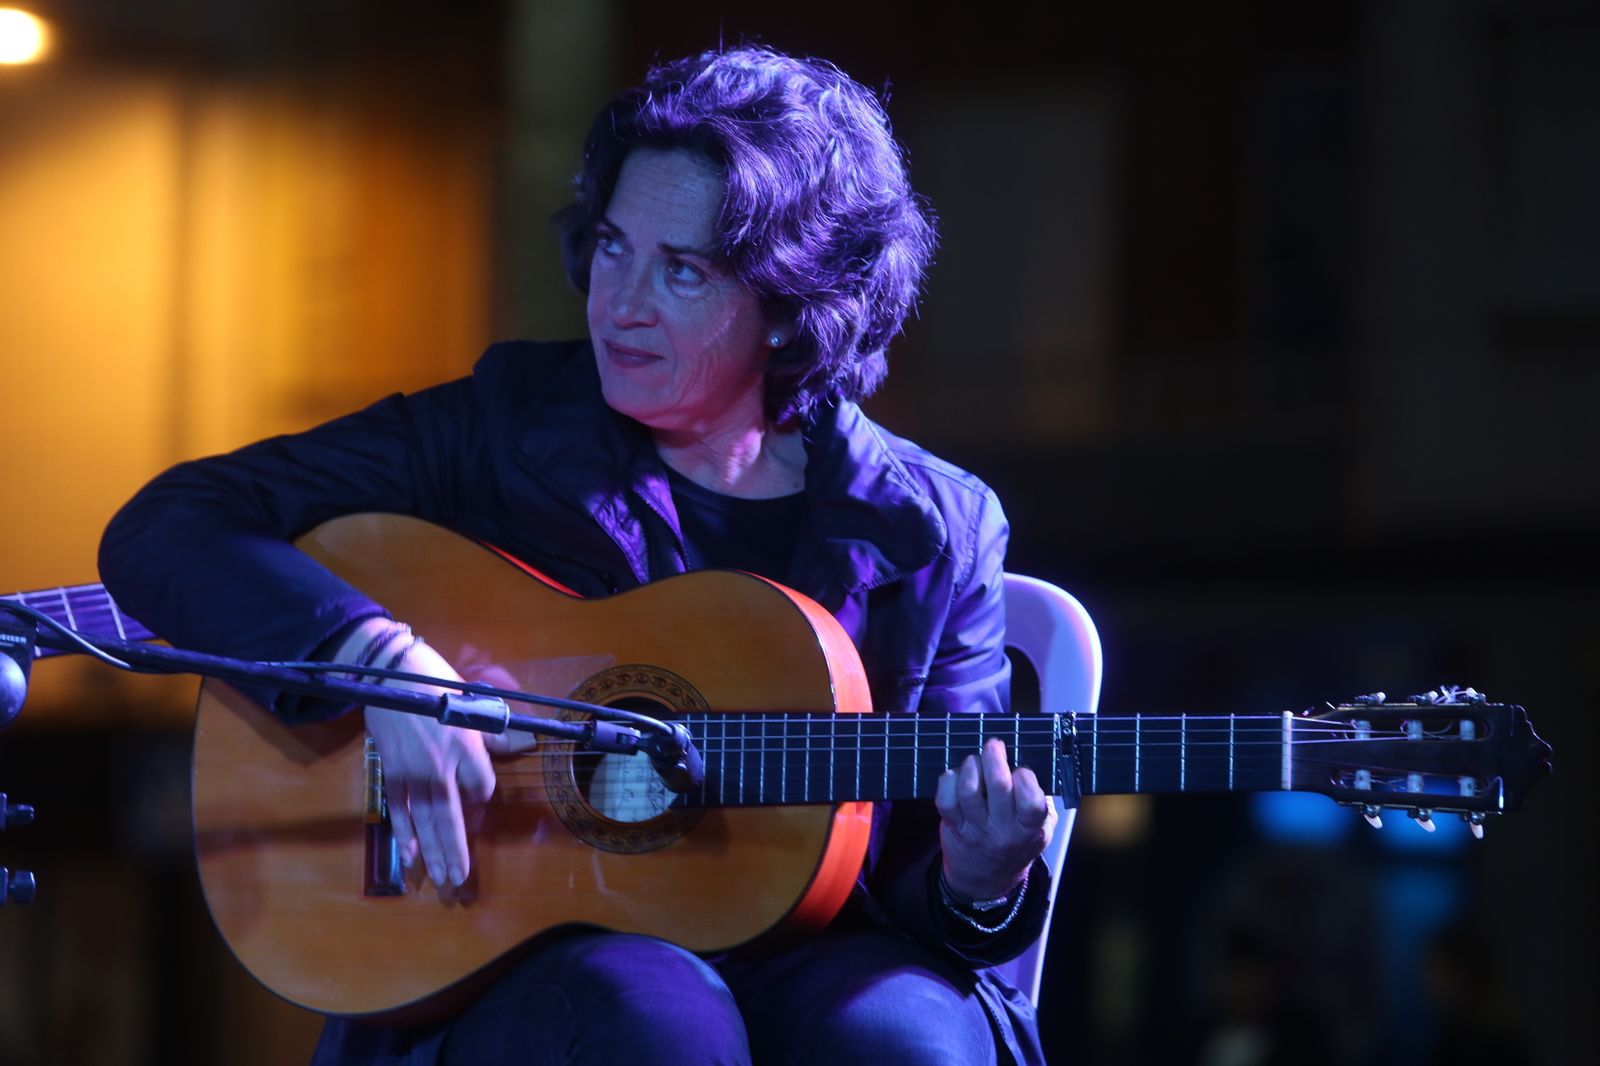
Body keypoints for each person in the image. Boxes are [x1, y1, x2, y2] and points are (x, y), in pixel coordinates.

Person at [100, 45, 1058, 1065]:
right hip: (524, 952)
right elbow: (167, 525)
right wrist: (383, 666)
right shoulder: (504, 429)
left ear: (791, 308)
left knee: (907, 1044)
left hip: (811, 956)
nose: (619, 301)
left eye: (679, 268)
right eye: (611, 246)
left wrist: (977, 876)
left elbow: (924, 871)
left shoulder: (937, 526)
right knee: (657, 1020)